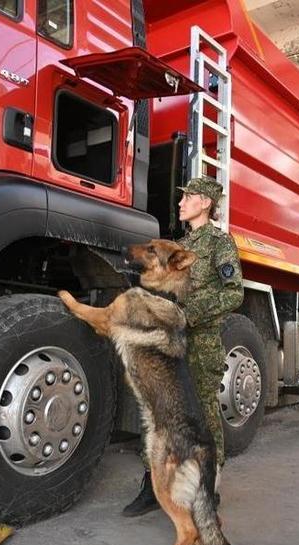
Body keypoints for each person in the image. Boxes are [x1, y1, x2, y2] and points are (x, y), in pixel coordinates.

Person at [122, 176, 244, 517]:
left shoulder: (220, 243)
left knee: (204, 415)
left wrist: (187, 314)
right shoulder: (177, 245)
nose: (181, 202)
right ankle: (153, 485)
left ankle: (209, 487)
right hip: (171, 342)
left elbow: (234, 292)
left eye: (188, 196)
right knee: (161, 412)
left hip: (201, 343)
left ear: (205, 202)